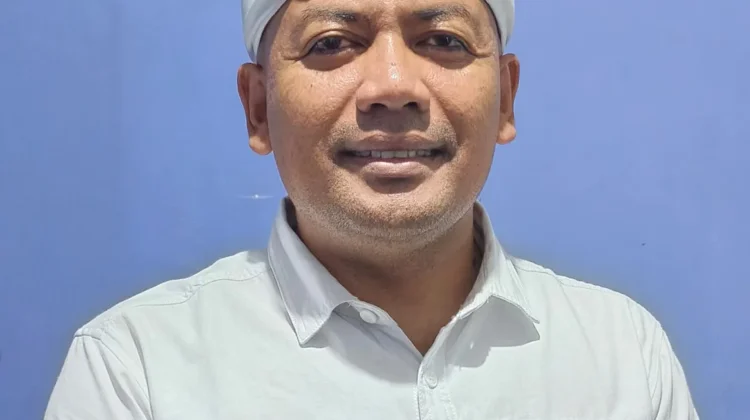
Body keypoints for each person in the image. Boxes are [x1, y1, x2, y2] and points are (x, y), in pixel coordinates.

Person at [45, 0, 699, 418]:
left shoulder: (621, 356)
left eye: (442, 40)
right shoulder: (135, 370)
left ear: (505, 98)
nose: (393, 87)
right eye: (332, 42)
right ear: (257, 107)